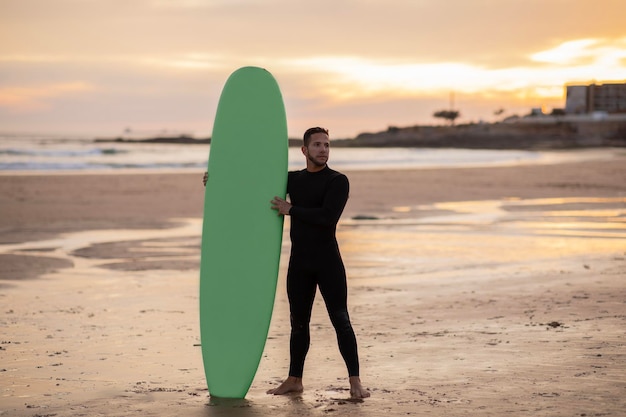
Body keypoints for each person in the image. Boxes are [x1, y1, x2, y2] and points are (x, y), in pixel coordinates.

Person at [268, 127, 370, 399]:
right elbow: (256, 185)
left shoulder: (337, 181)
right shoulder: (293, 180)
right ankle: (294, 379)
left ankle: (355, 381)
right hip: (299, 262)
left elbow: (327, 217)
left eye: (326, 145)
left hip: (327, 262)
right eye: (317, 145)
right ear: (304, 150)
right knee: (298, 323)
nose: (323, 149)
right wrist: (217, 180)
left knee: (341, 320)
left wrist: (291, 210)